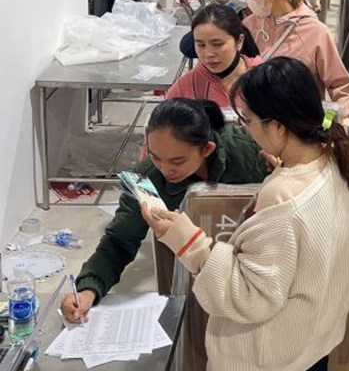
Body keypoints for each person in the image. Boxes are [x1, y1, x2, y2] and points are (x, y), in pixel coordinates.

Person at [140, 58, 349, 371]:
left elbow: (249, 298)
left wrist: (190, 243)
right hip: (315, 341)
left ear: (277, 127)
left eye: (247, 120)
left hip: (270, 357)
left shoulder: (283, 197)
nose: (246, 130)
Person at [62, 98, 269, 321]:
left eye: (177, 161)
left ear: (207, 149)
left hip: (252, 270)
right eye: (156, 157)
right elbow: (120, 241)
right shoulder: (144, 180)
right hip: (192, 271)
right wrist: (88, 289)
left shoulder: (248, 152)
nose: (166, 169)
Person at [242, 0, 349, 129]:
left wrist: (339, 123)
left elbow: (339, 86)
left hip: (297, 129)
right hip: (254, 126)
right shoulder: (249, 25)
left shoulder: (315, 31)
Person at [168, 5, 262, 113]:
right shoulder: (184, 89)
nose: (208, 54)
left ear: (239, 41)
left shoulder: (263, 81)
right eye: (201, 45)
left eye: (217, 44)